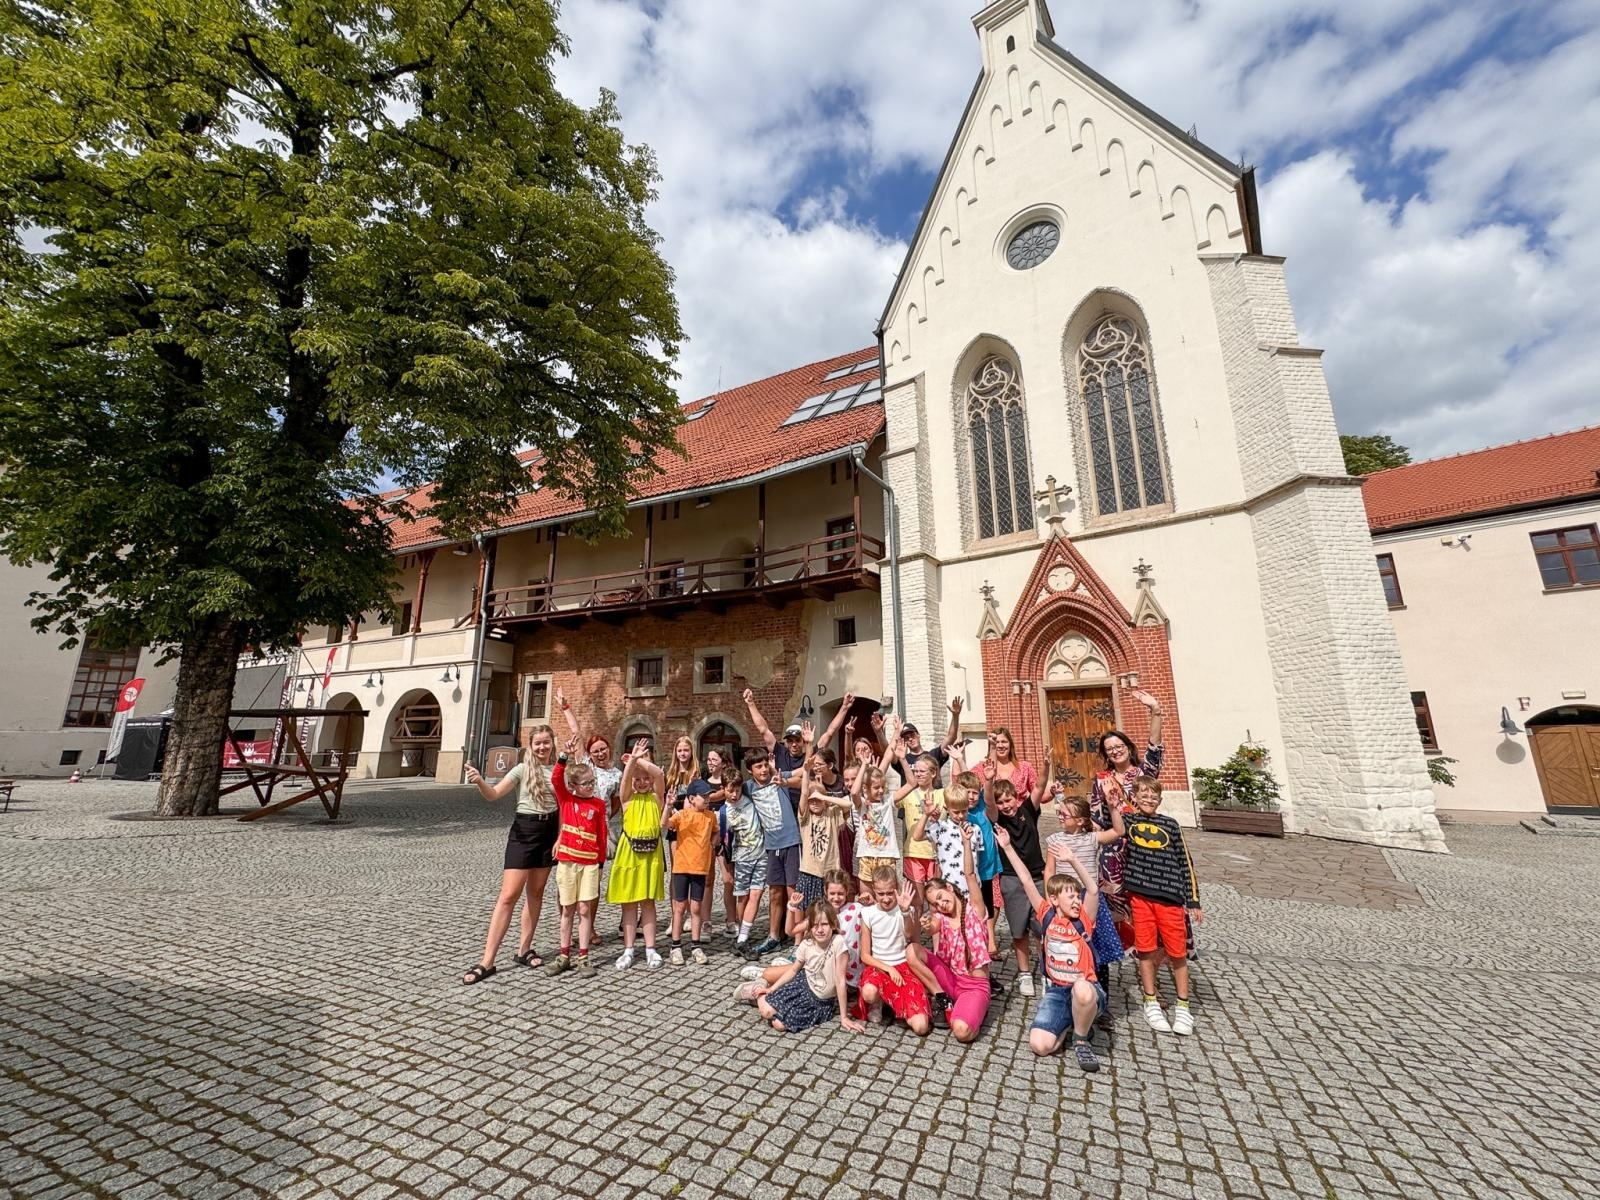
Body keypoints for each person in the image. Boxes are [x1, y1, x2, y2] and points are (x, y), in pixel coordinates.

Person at [996, 828, 1105, 1072]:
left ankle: (1081, 1040)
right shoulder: (1046, 915)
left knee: (1082, 990)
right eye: (1071, 897)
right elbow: (1025, 880)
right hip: (1057, 992)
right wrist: (1007, 847)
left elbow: (1094, 890)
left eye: (1077, 896)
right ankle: (1072, 1023)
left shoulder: (1084, 918)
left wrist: (1072, 860)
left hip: (1086, 988)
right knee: (1040, 1045)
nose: (1077, 901)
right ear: (1054, 900)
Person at [460, 723, 560, 984]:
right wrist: (480, 780)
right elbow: (493, 795)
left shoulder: (559, 770)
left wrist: (560, 837)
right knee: (508, 896)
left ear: (552, 743)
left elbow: (564, 807)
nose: (542, 747)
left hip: (549, 831)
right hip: (524, 831)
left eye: (546, 742)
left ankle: (524, 949)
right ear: (530, 744)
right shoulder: (522, 769)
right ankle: (487, 960)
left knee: (536, 893)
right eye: (537, 742)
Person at [1122, 778, 1203, 1035]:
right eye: (1142, 794)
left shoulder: (1171, 824)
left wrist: (1193, 899)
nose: (1148, 798)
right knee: (1145, 948)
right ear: (1133, 797)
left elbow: (1185, 861)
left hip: (1170, 897)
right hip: (1141, 896)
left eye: (1153, 794)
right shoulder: (1128, 821)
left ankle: (1183, 1005)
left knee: (1177, 953)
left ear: (1160, 798)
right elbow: (1107, 824)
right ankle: (1150, 1001)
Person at [1090, 687, 1166, 945]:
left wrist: (1155, 710)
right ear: (1105, 754)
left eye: (1119, 746)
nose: (1115, 751)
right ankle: (1120, 948)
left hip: (1144, 846)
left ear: (1127, 747)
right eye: (1109, 749)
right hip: (1113, 851)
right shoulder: (1101, 780)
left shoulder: (1144, 773)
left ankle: (1148, 950)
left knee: (1144, 902)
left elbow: (1155, 747)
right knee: (1115, 904)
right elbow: (1096, 818)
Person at [733, 902, 864, 1034]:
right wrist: (771, 989)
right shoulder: (807, 944)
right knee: (766, 1012)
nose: (819, 930)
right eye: (815, 925)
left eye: (824, 924)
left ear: (833, 924)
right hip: (802, 986)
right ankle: (758, 993)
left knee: (779, 1025)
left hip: (820, 1002)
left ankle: (762, 1000)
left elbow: (840, 980)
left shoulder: (838, 943)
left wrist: (844, 1017)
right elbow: (793, 970)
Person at [1044, 795, 1128, 975]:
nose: (1060, 816)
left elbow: (1119, 831)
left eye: (1064, 815)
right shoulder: (1054, 840)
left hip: (1088, 897)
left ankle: (1097, 979)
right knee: (1067, 938)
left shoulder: (1092, 838)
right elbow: (1049, 871)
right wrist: (1049, 898)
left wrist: (1113, 809)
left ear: (1080, 821)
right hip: (1064, 897)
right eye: (1059, 813)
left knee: (1094, 940)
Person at [547, 736, 607, 975]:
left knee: (584, 909)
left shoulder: (598, 805)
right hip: (568, 862)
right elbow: (555, 778)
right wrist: (564, 755)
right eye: (586, 783)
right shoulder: (567, 799)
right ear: (574, 786)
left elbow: (601, 835)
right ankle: (564, 955)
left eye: (592, 782)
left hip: (590, 864)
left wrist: (600, 861)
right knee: (567, 908)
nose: (590, 786)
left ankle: (583, 956)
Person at [906, 877, 992, 1042]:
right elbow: (932, 927)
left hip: (973, 987)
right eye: (935, 904)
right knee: (912, 951)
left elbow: (971, 875)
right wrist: (926, 924)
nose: (941, 905)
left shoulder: (974, 909)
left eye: (940, 897)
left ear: (949, 888)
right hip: (949, 980)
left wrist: (967, 849)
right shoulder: (941, 918)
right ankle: (942, 999)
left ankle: (975, 1011)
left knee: (961, 1032)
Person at [607, 737, 667, 970]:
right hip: (629, 853)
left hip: (651, 854)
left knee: (648, 902)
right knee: (629, 904)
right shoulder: (627, 799)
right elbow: (624, 780)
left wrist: (640, 761)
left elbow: (660, 776)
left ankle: (651, 949)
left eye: (645, 779)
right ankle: (629, 949)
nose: (642, 782)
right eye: (637, 780)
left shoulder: (656, 797)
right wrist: (632, 761)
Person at [740, 745, 802, 959]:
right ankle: (774, 936)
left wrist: (781, 774)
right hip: (771, 845)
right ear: (750, 770)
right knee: (774, 893)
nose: (764, 769)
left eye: (766, 764)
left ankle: (797, 940)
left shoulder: (779, 778)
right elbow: (728, 791)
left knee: (792, 891)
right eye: (759, 766)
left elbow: (802, 771)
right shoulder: (748, 788)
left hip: (791, 841)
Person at [988, 777, 1047, 998]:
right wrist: (988, 779)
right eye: (1001, 802)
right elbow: (989, 802)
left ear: (1016, 797)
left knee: (1042, 929)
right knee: (1019, 930)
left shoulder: (1028, 810)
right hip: (1011, 879)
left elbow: (1040, 786)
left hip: (1037, 877)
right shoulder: (997, 821)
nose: (1006, 805)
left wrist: (1046, 766)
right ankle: (1024, 973)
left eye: (1008, 799)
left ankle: (1046, 971)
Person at [857, 866, 932, 1035]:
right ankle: (879, 1002)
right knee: (869, 992)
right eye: (881, 893)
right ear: (874, 891)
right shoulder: (868, 913)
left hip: (904, 966)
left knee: (921, 1027)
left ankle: (898, 1007)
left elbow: (911, 936)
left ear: (897, 889)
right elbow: (865, 955)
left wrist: (906, 912)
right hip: (879, 967)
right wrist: (889, 968)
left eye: (890, 893)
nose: (886, 898)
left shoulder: (906, 910)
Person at [665, 781, 717, 965]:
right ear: (692, 799)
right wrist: (668, 806)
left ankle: (695, 945)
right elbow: (664, 825)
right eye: (704, 796)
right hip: (681, 868)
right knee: (679, 907)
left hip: (700, 869)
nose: (708, 799)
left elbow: (715, 833)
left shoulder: (711, 816)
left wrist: (712, 845)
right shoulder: (682, 816)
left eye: (709, 796)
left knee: (696, 908)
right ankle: (676, 946)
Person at [691, 748, 738, 936]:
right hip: (706, 834)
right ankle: (706, 921)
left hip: (726, 834)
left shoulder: (729, 783)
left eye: (714, 759)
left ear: (723, 762)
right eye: (708, 759)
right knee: (708, 879)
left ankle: (731, 919)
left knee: (728, 879)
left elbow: (728, 796)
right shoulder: (702, 783)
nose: (710, 762)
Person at [720, 765, 766, 955]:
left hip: (761, 855)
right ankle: (740, 927)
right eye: (730, 790)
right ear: (724, 789)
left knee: (756, 895)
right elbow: (724, 840)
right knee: (743, 897)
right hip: (742, 859)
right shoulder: (724, 812)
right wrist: (727, 863)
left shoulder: (749, 799)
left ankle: (743, 937)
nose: (734, 794)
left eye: (737, 790)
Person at [851, 735, 902, 903]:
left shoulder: (888, 801)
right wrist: (864, 765)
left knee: (888, 900)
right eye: (876, 787)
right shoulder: (863, 804)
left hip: (886, 855)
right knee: (866, 900)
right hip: (867, 855)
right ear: (867, 788)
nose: (880, 790)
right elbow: (854, 792)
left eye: (882, 787)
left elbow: (888, 758)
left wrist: (896, 733)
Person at [742, 687, 807, 815]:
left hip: (804, 810)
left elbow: (829, 734)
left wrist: (844, 708)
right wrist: (751, 704)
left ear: (803, 741)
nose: (794, 744)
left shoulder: (809, 755)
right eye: (790, 741)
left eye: (797, 740)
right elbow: (763, 729)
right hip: (782, 810)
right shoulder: (780, 752)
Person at [894, 752, 943, 921]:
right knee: (916, 901)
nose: (918, 774)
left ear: (933, 773)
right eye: (916, 771)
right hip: (913, 853)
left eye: (923, 771)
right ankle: (915, 938)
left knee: (936, 900)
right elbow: (891, 799)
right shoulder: (908, 794)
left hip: (935, 854)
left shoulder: (942, 795)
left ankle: (939, 940)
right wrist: (901, 759)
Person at [796, 769, 853, 909]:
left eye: (818, 800)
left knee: (831, 909)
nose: (814, 803)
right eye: (812, 800)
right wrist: (805, 771)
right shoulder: (806, 817)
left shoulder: (832, 813)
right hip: (810, 871)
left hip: (830, 870)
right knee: (810, 910)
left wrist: (824, 797)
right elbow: (804, 794)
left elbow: (848, 805)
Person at [978, 726, 1037, 806]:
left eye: (1004, 741)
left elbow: (1038, 792)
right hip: (993, 816)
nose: (1000, 745)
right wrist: (959, 759)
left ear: (1010, 744)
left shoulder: (1025, 767)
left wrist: (1053, 791)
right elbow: (963, 782)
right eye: (996, 742)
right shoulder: (981, 768)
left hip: (1019, 815)